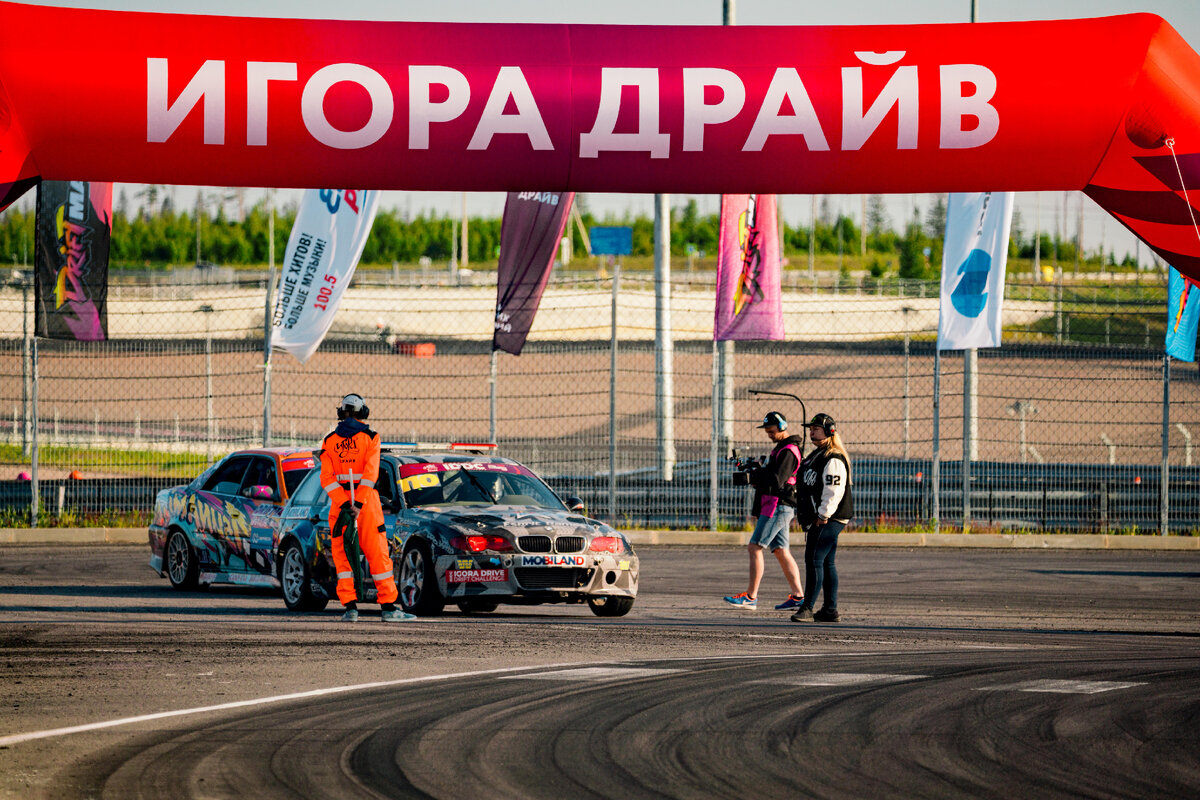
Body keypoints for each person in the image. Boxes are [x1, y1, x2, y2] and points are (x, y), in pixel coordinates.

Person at [318, 393, 413, 623]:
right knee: (378, 554)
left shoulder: (329, 441)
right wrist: (358, 504)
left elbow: (326, 478)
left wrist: (344, 502)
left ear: (341, 412)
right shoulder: (371, 437)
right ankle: (389, 608)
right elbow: (371, 474)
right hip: (367, 505)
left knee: (343, 557)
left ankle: (350, 609)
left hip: (340, 506)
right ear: (364, 413)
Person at [723, 410, 806, 611]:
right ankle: (798, 597)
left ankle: (751, 596)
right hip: (777, 505)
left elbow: (777, 480)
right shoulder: (781, 448)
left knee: (755, 547)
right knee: (780, 550)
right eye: (767, 431)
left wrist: (753, 476)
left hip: (777, 506)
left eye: (771, 430)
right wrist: (754, 468)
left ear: (782, 427)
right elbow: (771, 474)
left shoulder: (788, 450)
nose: (769, 434)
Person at [791, 413, 854, 623]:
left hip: (829, 518)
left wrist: (823, 514)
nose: (811, 432)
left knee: (814, 560)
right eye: (811, 429)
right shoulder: (816, 454)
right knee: (827, 562)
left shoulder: (833, 457)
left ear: (829, 431)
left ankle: (807, 608)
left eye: (816, 429)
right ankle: (829, 609)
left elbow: (833, 490)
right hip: (821, 516)